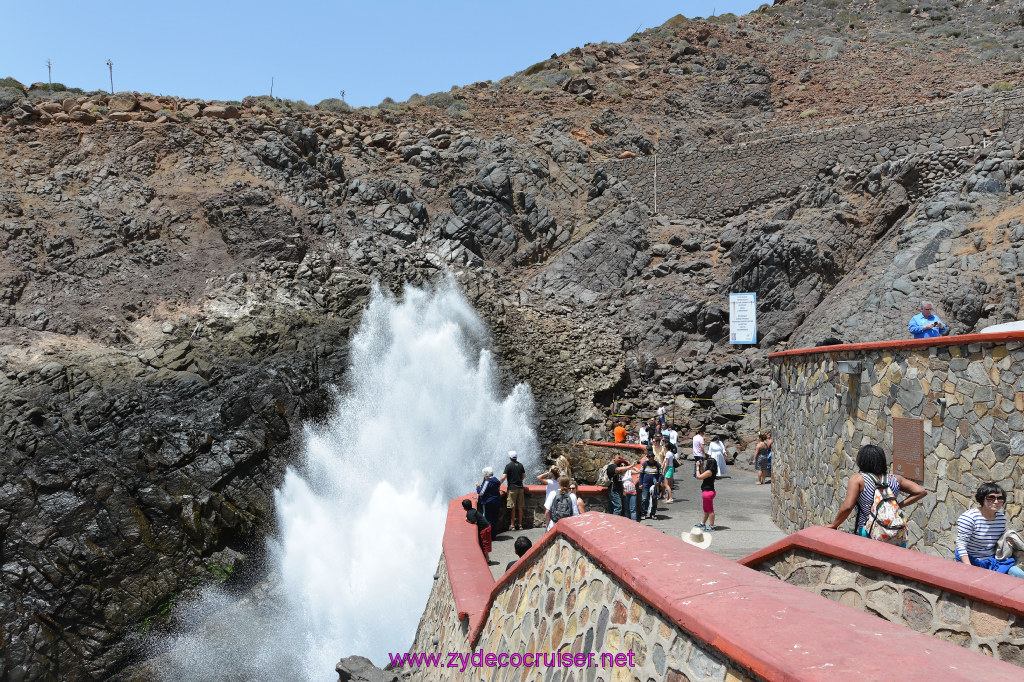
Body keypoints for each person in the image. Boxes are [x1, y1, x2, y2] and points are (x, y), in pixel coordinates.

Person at [826, 444, 927, 544]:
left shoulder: (858, 480)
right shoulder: (895, 479)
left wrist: (834, 525)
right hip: (894, 534)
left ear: (862, 461)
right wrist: (898, 505)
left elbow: (848, 506)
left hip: (868, 533)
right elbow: (921, 491)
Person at [955, 483, 1024, 578]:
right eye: (991, 498)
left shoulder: (1001, 518)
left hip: (994, 561)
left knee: (1020, 575)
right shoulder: (969, 518)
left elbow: (1000, 540)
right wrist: (968, 568)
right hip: (972, 561)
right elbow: (961, 545)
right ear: (982, 498)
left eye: (1000, 498)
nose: (996, 501)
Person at [499, 450, 526, 531]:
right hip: (520, 488)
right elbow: (524, 475)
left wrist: (498, 484)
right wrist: (519, 480)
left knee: (512, 507)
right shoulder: (520, 465)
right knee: (520, 507)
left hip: (512, 489)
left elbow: (503, 477)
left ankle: (512, 525)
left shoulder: (508, 466)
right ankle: (520, 525)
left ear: (509, 457)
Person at [695, 449, 719, 531]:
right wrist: (701, 466)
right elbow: (703, 473)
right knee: (706, 509)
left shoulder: (709, 472)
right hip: (707, 492)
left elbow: (699, 476)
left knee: (710, 510)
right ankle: (703, 523)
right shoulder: (710, 471)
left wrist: (697, 467)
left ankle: (712, 525)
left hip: (708, 493)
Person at [462, 498, 491, 563]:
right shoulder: (473, 510)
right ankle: (487, 558)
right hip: (487, 526)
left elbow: (474, 521)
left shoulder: (470, 513)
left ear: (464, 508)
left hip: (485, 528)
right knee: (484, 543)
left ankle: (487, 560)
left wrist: (467, 520)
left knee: (484, 543)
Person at [639, 454, 662, 520]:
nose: (650, 458)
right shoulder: (644, 464)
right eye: (648, 457)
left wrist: (658, 482)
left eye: (651, 457)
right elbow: (641, 475)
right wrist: (640, 484)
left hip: (654, 485)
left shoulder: (657, 465)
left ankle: (653, 513)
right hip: (645, 485)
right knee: (644, 499)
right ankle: (644, 513)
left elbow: (660, 475)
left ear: (653, 457)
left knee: (654, 500)